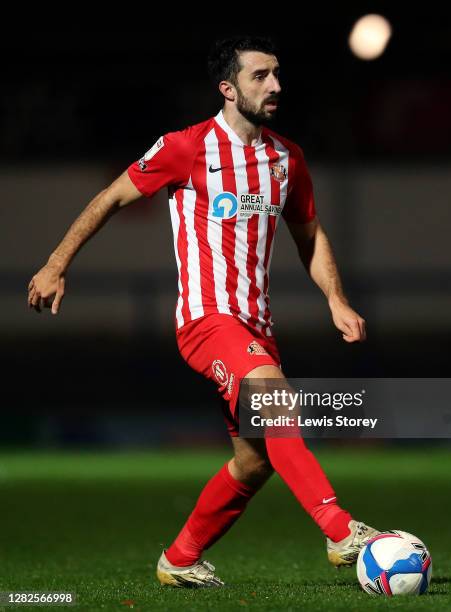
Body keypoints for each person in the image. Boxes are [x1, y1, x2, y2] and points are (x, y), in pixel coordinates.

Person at [27, 35, 378, 588]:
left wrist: (335, 299)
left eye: (278, 74)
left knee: (255, 461)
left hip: (256, 326)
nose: (276, 85)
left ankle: (181, 558)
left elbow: (309, 235)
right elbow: (110, 197)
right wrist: (55, 264)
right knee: (274, 399)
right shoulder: (186, 148)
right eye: (260, 75)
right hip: (206, 320)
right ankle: (342, 532)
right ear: (228, 88)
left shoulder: (286, 159)